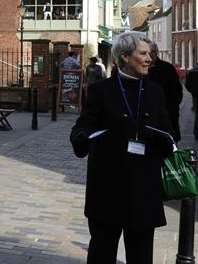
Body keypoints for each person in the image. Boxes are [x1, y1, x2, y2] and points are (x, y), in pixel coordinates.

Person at [70, 32, 174, 264]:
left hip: (143, 188)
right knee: (102, 252)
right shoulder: (101, 91)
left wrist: (161, 139)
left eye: (150, 54)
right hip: (108, 188)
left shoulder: (155, 92)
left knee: (141, 255)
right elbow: (82, 129)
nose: (149, 59)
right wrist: (86, 137)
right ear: (125, 57)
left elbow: (169, 133)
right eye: (143, 54)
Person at [148, 42, 184, 142]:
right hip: (147, 117)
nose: (150, 55)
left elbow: (177, 90)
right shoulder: (140, 69)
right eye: (147, 52)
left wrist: (173, 107)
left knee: (170, 143)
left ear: (157, 53)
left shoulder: (167, 68)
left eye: (153, 52)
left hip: (167, 113)